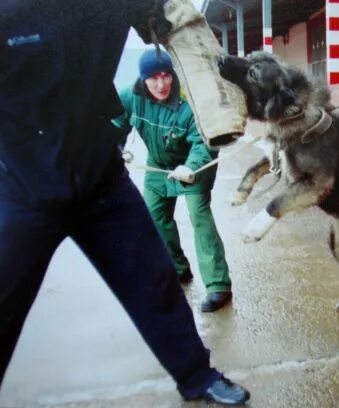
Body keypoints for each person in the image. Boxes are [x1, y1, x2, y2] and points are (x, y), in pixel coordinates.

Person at [0, 0, 248, 405]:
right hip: (21, 184)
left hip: (100, 179)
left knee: (155, 280)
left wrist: (219, 112)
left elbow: (182, 26)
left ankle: (196, 375)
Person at [114, 48, 233, 313]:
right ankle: (177, 269)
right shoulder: (130, 96)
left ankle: (218, 285)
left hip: (194, 166)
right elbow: (114, 127)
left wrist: (191, 166)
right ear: (143, 79)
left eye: (166, 76)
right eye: (153, 78)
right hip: (158, 166)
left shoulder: (190, 100)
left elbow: (204, 143)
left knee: (199, 218)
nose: (161, 84)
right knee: (156, 218)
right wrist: (114, 151)